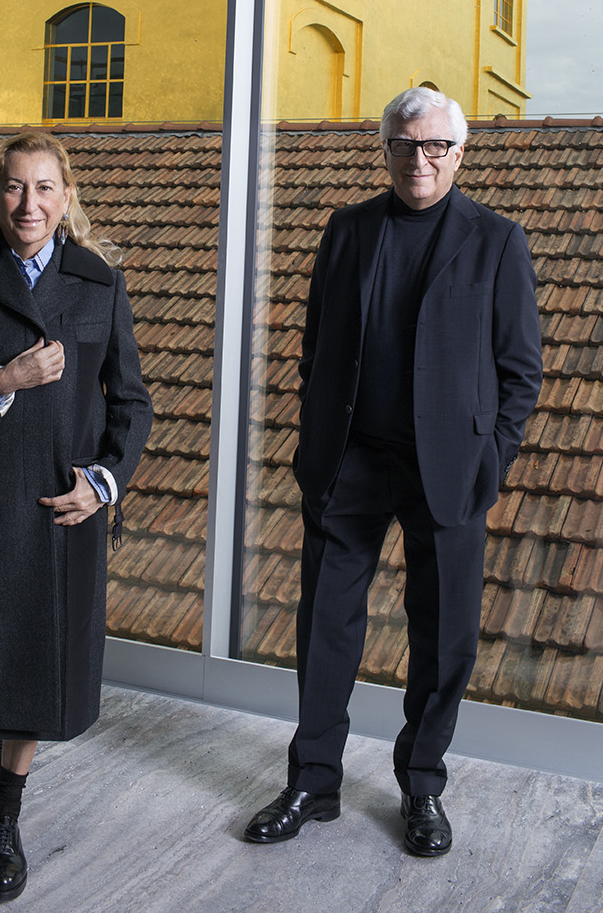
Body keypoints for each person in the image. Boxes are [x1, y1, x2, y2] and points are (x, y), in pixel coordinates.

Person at [244, 87, 542, 857]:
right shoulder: (347, 230)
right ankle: (313, 782)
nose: (421, 159)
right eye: (407, 144)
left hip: (448, 469)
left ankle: (422, 788)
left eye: (437, 145)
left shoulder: (497, 240)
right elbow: (315, 345)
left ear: (459, 153)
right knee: (325, 628)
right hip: (351, 461)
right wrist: (318, 432)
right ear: (386, 150)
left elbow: (521, 372)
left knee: (443, 639)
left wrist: (490, 459)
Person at [0, 130, 152, 903]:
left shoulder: (99, 284)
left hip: (61, 512)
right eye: (14, 187)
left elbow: (134, 405)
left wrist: (105, 484)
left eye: (45, 188)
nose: (29, 204)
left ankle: (4, 822)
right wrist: (1, 378)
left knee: (38, 679)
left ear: (67, 197)